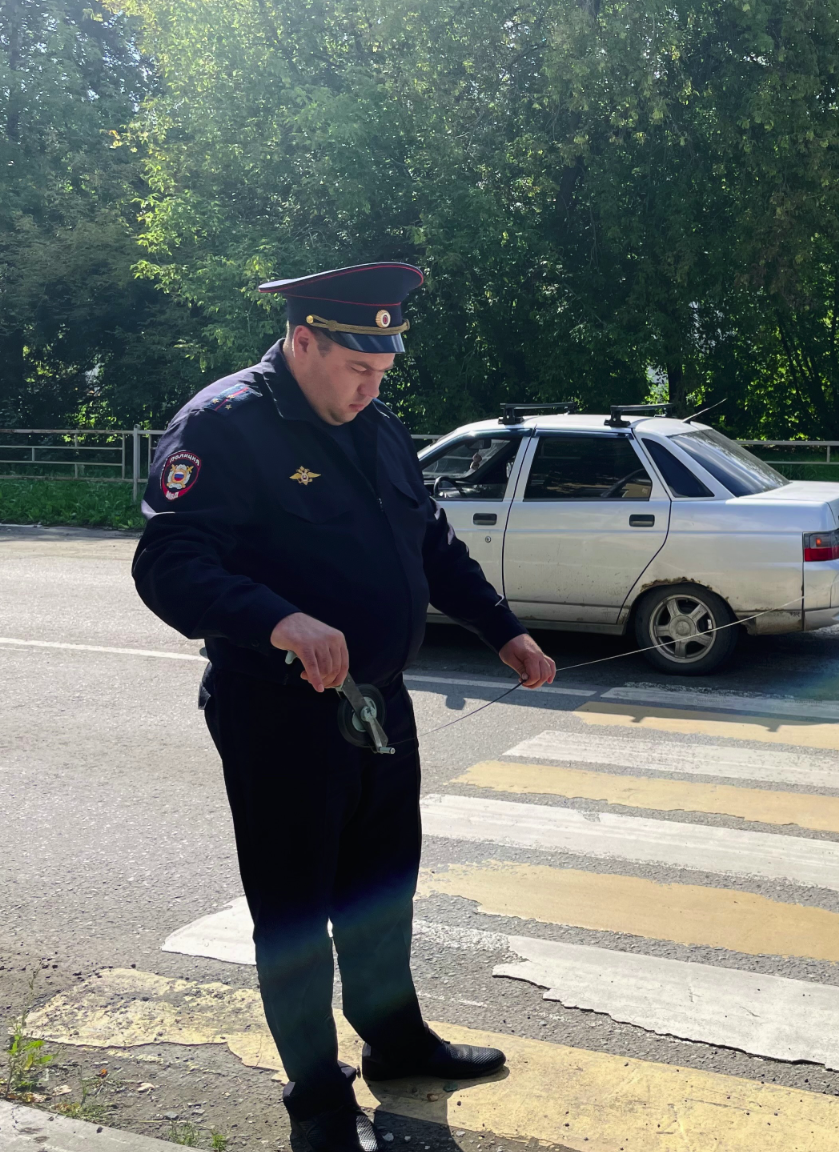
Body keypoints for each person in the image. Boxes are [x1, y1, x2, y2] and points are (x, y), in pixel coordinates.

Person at [132, 263, 558, 1152]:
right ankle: (317, 1099)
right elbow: (168, 564)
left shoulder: (376, 425)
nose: (373, 386)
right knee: (295, 908)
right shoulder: (226, 426)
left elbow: (431, 540)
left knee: (381, 886)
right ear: (304, 342)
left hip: (381, 706)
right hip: (277, 712)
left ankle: (394, 1042)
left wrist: (504, 632)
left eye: (384, 369)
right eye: (357, 368)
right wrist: (278, 621)